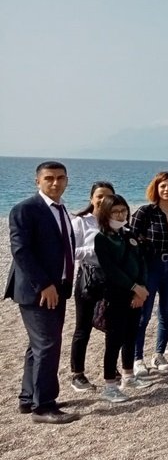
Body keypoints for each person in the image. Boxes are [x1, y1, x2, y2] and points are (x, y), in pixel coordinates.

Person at [5, 161, 80, 423]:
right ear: (38, 181)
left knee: (37, 346)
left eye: (60, 178)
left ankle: (29, 398)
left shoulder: (61, 210)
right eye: (49, 178)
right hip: (38, 290)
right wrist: (44, 285)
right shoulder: (25, 210)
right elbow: (21, 252)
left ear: (67, 181)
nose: (55, 183)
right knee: (48, 344)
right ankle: (44, 406)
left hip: (58, 287)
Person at [93, 194, 154, 402]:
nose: (120, 214)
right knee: (114, 340)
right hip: (116, 296)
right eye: (115, 211)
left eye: (123, 210)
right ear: (106, 213)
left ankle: (128, 375)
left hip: (137, 295)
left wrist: (141, 288)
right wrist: (134, 287)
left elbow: (141, 262)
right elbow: (111, 269)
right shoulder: (101, 238)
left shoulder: (129, 234)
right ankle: (110, 384)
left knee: (131, 335)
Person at [130, 171, 168, 374]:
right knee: (143, 315)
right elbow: (131, 242)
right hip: (150, 266)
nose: (167, 190)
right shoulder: (145, 213)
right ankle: (137, 358)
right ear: (156, 188)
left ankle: (159, 353)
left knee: (167, 312)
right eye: (163, 186)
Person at [68, 180, 115, 392]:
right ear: (92, 198)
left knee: (111, 326)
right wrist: (95, 249)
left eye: (108, 196)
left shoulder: (114, 220)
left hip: (112, 279)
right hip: (88, 277)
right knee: (83, 327)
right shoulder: (80, 222)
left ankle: (111, 370)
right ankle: (77, 374)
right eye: (99, 196)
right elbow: (71, 252)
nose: (104, 200)